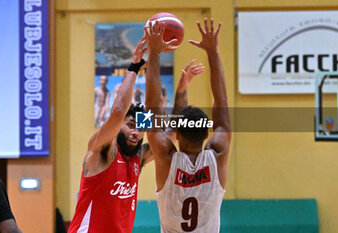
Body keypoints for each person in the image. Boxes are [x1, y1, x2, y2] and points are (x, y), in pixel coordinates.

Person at [145, 18, 231, 233]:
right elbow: (221, 102)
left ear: (176, 135)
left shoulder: (166, 158)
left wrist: (154, 53)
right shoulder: (218, 155)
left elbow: (152, 109)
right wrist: (213, 52)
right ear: (206, 134)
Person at [67, 38, 154, 233]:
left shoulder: (136, 159)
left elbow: (169, 136)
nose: (136, 133)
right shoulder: (103, 151)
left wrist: (155, 60)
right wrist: (136, 66)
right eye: (131, 125)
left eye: (141, 128)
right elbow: (117, 112)